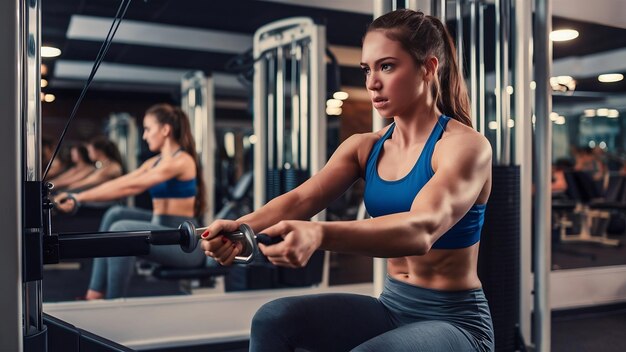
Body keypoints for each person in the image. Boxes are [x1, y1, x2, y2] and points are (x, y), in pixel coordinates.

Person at [201, 9, 493, 352]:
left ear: (428, 68)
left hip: (455, 322)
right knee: (273, 318)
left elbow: (421, 230)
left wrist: (319, 233)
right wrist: (239, 229)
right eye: (367, 69)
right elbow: (299, 201)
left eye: (386, 66)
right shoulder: (364, 147)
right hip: (392, 307)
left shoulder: (464, 146)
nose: (372, 82)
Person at [56, 103, 207, 300]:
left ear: (165, 130)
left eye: (147, 129)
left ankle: (115, 303)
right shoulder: (154, 161)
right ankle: (94, 294)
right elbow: (123, 181)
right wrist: (77, 196)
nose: (144, 136)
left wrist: (79, 198)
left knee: (121, 228)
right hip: (162, 229)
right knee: (115, 214)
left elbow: (133, 187)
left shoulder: (181, 161)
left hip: (183, 244)